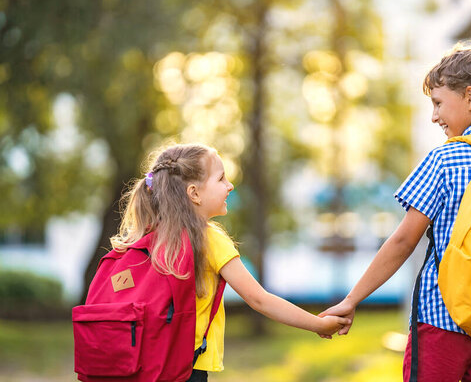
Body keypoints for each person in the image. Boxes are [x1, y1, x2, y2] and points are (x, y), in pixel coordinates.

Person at [319, 42, 471, 381]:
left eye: (439, 103)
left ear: (470, 97)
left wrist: (352, 299)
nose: (434, 116)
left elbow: (402, 241)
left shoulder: (445, 158)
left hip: (441, 318)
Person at [111, 143, 350, 382]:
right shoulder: (207, 238)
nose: (230, 185)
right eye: (221, 179)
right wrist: (318, 325)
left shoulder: (147, 236)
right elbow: (259, 299)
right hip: (184, 369)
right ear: (194, 193)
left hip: (142, 365)